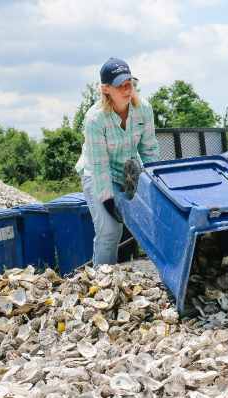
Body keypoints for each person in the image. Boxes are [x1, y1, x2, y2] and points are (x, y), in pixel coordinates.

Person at [75, 57, 159, 266]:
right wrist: (109, 201)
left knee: (146, 221)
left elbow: (149, 150)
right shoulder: (95, 119)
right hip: (97, 174)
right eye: (120, 86)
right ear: (105, 89)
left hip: (129, 171)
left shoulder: (144, 109)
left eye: (129, 83)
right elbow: (98, 167)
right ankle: (102, 284)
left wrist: (155, 186)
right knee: (110, 230)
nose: (127, 90)